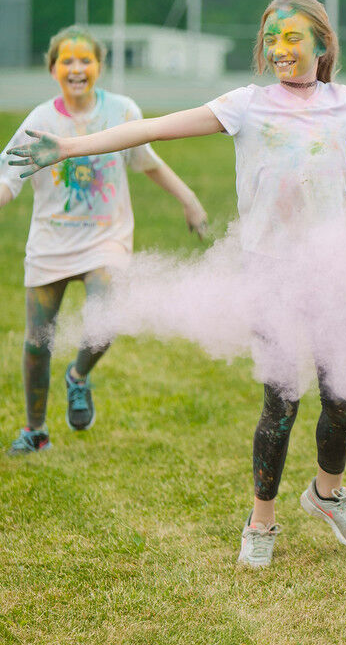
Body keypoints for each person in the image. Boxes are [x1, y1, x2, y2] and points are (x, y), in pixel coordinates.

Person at [7, 0, 346, 567]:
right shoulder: (246, 105)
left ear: (322, 44)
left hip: (328, 271)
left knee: (342, 397)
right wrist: (70, 146)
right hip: (269, 273)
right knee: (282, 402)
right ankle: (261, 521)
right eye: (270, 38)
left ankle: (327, 493)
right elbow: (153, 129)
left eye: (292, 37)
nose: (279, 49)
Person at [1, 25, 208, 455]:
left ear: (100, 65)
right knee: (37, 343)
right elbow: (8, 178)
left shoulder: (122, 111)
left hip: (105, 240)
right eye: (67, 60)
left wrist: (188, 199)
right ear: (53, 68)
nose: (77, 68)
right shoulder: (39, 121)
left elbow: (149, 161)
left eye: (86, 59)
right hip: (51, 244)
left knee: (106, 318)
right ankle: (36, 432)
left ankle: (77, 376)